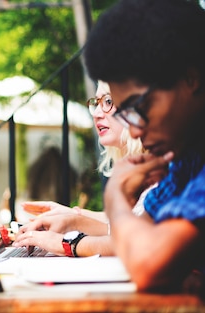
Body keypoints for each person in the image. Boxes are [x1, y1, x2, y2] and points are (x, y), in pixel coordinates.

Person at [84, 0, 205, 293]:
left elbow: (149, 261)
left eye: (140, 107)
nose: (135, 129)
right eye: (125, 113)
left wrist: (115, 196)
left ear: (191, 77)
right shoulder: (187, 155)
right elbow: (145, 229)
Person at [13, 82, 150, 257]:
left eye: (108, 101)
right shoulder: (141, 167)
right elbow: (128, 223)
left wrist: (68, 239)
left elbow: (136, 239)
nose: (97, 114)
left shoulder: (167, 167)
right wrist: (73, 215)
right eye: (97, 103)